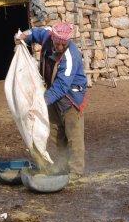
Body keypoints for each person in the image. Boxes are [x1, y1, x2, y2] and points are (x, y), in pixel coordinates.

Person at [16, 22, 88, 176]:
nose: (60, 47)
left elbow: (62, 87)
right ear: (53, 38)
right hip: (52, 94)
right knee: (55, 134)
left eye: (64, 44)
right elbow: (34, 33)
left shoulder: (70, 57)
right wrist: (23, 37)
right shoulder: (48, 36)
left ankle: (76, 172)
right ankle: (62, 165)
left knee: (74, 136)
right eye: (57, 43)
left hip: (71, 98)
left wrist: (41, 103)